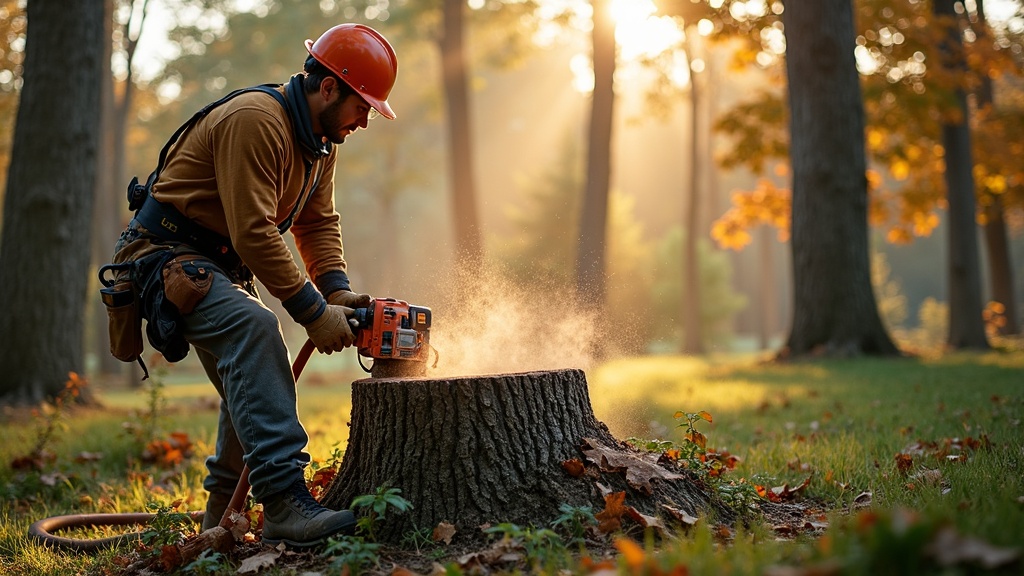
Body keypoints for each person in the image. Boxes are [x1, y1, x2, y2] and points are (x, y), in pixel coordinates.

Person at [107, 23, 398, 548]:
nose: (364, 121)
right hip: (166, 257)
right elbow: (254, 230)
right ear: (328, 86)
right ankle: (286, 503)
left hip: (218, 263)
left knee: (250, 385)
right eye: (362, 106)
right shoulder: (256, 121)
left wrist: (336, 292)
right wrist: (312, 313)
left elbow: (316, 223)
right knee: (257, 330)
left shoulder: (321, 144)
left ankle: (215, 531)